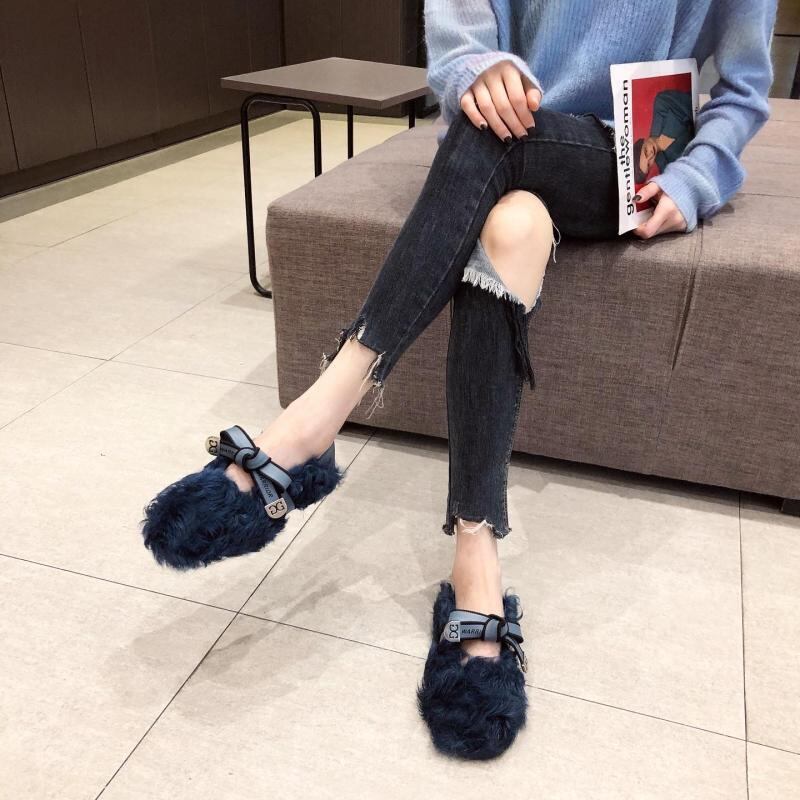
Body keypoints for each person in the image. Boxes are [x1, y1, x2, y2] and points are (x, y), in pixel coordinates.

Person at [140, 0, 776, 761]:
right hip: (499, 145)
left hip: (620, 156)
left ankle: (320, 413)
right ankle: (476, 548)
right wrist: (477, 68)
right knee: (510, 226)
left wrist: (698, 176)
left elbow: (743, 88)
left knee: (495, 139)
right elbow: (462, 20)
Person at [634, 88, 696, 184]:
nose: (651, 155)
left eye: (646, 151)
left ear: (642, 142)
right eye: (649, 164)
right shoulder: (667, 170)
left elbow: (695, 104)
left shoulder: (662, 103)